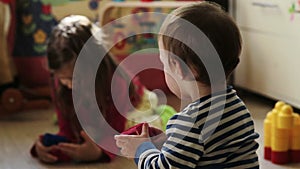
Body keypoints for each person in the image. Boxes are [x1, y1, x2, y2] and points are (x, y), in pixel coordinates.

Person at [115, 2, 260, 169]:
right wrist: (170, 142)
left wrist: (141, 149)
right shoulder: (238, 108)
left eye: (164, 64)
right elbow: (209, 151)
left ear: (179, 68)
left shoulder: (191, 121)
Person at [30, 15, 147, 163]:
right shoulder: (60, 82)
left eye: (74, 78)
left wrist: (98, 153)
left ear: (93, 65)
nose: (68, 85)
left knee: (140, 133)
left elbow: (116, 133)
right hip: (95, 105)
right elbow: (66, 130)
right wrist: (43, 145)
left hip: (134, 106)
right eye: (61, 78)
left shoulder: (116, 83)